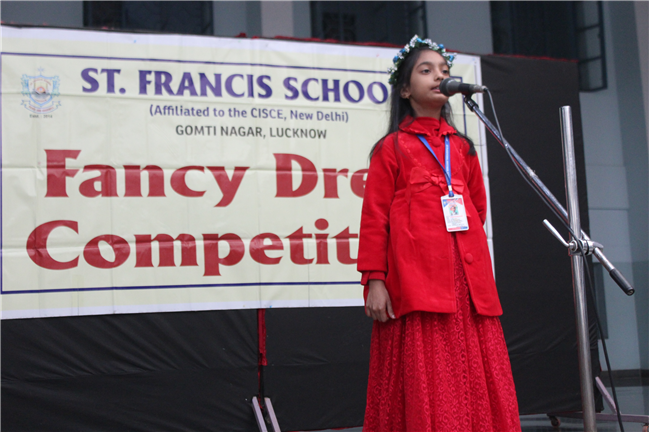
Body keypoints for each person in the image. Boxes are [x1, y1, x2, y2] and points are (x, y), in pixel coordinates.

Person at [358, 36, 521, 432]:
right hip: (417, 284)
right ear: (404, 89)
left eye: (444, 71)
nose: (439, 76)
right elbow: (374, 218)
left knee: (474, 367)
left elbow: (477, 211)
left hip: (467, 283)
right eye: (426, 70)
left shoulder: (462, 148)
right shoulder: (392, 148)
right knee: (428, 371)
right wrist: (375, 280)